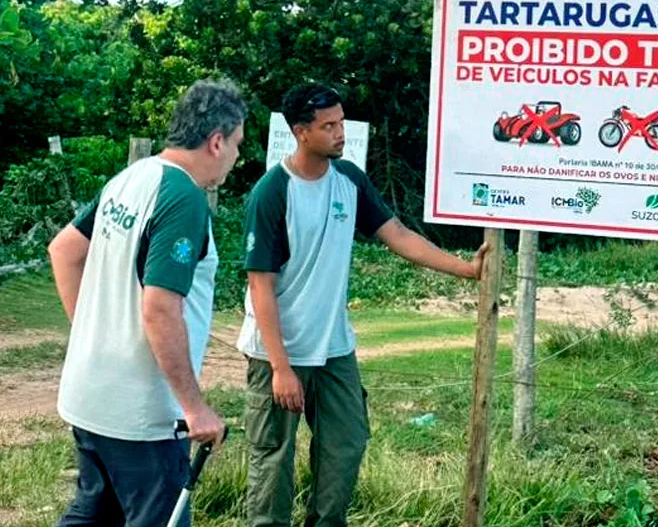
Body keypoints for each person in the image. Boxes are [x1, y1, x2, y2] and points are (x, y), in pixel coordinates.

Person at [239, 84, 487, 527]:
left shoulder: (349, 180)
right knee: (273, 459)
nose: (340, 133)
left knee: (346, 446)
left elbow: (398, 236)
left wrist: (466, 270)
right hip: (278, 351)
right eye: (328, 126)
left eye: (341, 122)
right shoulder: (272, 192)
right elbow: (260, 287)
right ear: (301, 132)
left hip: (334, 348)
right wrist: (280, 368)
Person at [48, 78, 246, 526]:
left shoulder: (132, 177)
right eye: (236, 144)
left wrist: (93, 336)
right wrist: (194, 409)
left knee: (93, 513)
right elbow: (160, 307)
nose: (237, 156)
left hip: (90, 393)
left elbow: (62, 250)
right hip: (142, 414)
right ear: (216, 141)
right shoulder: (183, 198)